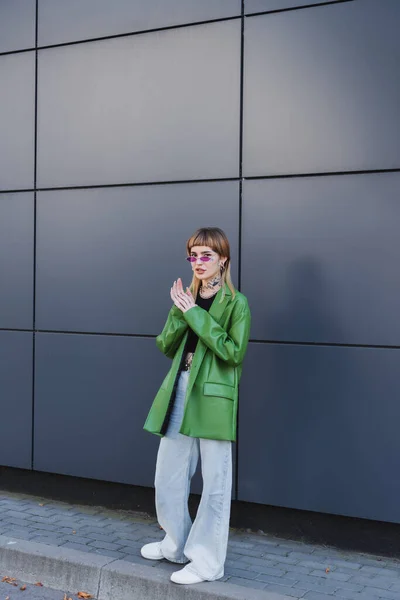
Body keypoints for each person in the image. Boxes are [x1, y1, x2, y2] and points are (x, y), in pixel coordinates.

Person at [141, 227, 251, 585]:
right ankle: (175, 544)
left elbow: (233, 353)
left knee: (216, 481)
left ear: (223, 259)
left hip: (213, 394)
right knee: (168, 474)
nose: (199, 262)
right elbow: (165, 346)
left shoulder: (237, 303)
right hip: (181, 386)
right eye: (194, 255)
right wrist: (179, 310)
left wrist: (196, 314)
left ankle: (206, 562)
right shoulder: (187, 297)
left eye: (207, 255)